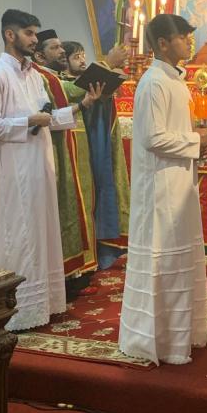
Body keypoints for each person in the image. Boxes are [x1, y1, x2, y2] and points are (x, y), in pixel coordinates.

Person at [118, 14, 207, 365]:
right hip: (159, 188)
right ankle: (154, 340)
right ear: (162, 43)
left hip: (178, 182)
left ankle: (180, 335)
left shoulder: (176, 80)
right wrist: (196, 140)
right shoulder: (153, 82)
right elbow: (152, 137)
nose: (188, 42)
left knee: (179, 257)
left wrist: (198, 147)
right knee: (161, 258)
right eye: (182, 37)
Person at [0, 10, 73, 331]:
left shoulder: (34, 75)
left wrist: (83, 105)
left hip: (37, 168)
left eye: (35, 33)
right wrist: (29, 121)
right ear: (10, 35)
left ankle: (43, 302)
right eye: (29, 33)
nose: (35, 39)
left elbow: (47, 118)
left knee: (40, 232)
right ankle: (12, 309)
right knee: (16, 235)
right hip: (10, 171)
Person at [32, 29, 102, 300]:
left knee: (78, 204)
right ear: (39, 55)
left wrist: (85, 103)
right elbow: (69, 93)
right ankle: (65, 275)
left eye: (62, 47)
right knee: (65, 208)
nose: (62, 51)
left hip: (68, 147)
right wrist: (108, 65)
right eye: (55, 48)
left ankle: (77, 271)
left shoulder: (50, 76)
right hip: (51, 152)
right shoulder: (42, 77)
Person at [62, 40, 131, 269]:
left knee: (100, 192)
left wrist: (106, 94)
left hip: (92, 144)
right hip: (73, 147)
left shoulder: (79, 82)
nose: (82, 60)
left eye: (83, 55)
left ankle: (102, 249)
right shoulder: (58, 82)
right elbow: (73, 91)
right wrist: (107, 63)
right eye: (76, 57)